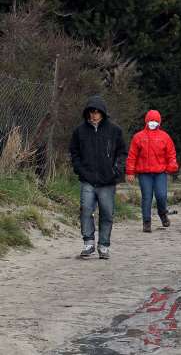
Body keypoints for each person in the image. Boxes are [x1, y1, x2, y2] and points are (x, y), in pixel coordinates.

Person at [69, 95, 127, 260]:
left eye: (97, 112)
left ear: (103, 113)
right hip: (87, 179)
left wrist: (116, 170)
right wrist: (80, 170)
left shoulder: (115, 130)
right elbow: (74, 153)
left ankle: (103, 245)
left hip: (108, 181)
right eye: (91, 112)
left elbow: (122, 153)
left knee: (107, 213)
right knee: (86, 210)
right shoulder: (79, 131)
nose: (94, 115)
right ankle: (88, 242)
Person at [125, 110, 179, 233]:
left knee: (161, 196)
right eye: (151, 120)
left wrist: (172, 165)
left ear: (159, 122)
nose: (153, 123)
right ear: (146, 121)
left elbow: (171, 153)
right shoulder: (138, 137)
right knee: (147, 197)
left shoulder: (165, 137)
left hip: (160, 172)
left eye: (155, 121)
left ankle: (162, 213)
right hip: (144, 173)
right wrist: (130, 172)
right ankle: (146, 222)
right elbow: (132, 155)